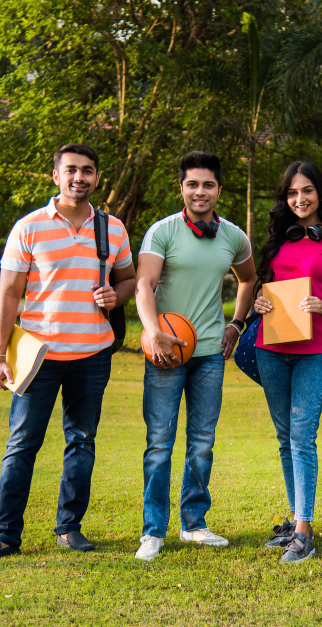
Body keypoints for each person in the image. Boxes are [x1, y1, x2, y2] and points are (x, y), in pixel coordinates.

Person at [0, 143, 136, 562]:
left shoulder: (112, 228)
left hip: (93, 354)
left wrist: (116, 294)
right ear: (56, 176)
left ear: (97, 178)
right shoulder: (28, 227)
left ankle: (69, 528)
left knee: (81, 441)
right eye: (72, 170)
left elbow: (130, 280)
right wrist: (0, 355)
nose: (80, 177)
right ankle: (6, 536)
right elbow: (9, 295)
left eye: (88, 171)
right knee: (22, 443)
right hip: (38, 355)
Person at [134, 151, 257, 562]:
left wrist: (236, 324)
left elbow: (249, 279)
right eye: (192, 184)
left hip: (209, 355)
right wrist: (154, 334)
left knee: (201, 443)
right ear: (181, 188)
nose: (200, 191)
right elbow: (143, 286)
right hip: (165, 355)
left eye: (208, 184)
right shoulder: (162, 232)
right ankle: (153, 531)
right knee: (160, 443)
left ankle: (194, 524)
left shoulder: (234, 237)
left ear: (219, 190)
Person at [252, 161, 322, 564]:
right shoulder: (277, 239)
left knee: (302, 436)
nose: (300, 199)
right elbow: (263, 287)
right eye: (292, 193)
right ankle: (295, 519)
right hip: (271, 347)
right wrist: (260, 303)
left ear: (320, 194)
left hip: (315, 352)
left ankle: (305, 532)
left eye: (307, 191)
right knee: (285, 438)